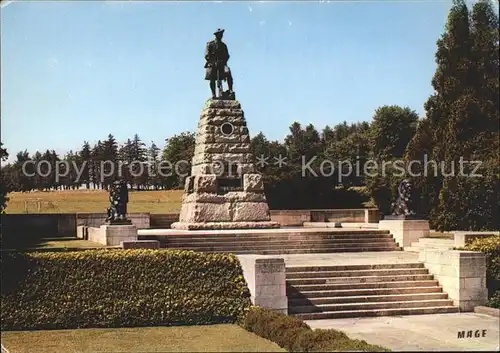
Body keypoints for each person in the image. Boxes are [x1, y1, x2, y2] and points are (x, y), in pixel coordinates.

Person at [204, 28, 234, 99]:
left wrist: (223, 62)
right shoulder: (210, 44)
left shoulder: (223, 45)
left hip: (222, 64)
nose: (221, 36)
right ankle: (213, 94)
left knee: (228, 72)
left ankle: (230, 90)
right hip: (212, 64)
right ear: (216, 35)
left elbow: (227, 55)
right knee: (211, 75)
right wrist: (213, 62)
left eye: (222, 35)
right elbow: (207, 55)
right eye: (220, 34)